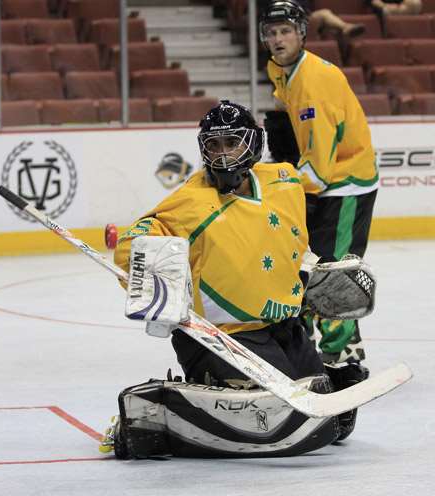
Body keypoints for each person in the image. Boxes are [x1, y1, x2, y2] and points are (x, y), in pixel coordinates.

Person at [102, 101, 365, 459]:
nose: (223, 154)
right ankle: (156, 414)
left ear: (253, 144)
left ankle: (317, 378)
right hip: (220, 337)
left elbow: (292, 240)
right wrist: (152, 276)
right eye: (214, 145)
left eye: (232, 142)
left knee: (326, 417)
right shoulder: (188, 203)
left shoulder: (284, 182)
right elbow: (136, 242)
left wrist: (316, 272)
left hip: (283, 327)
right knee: (279, 413)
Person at [260, 1, 378, 367]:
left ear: (301, 34)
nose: (278, 40)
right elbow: (283, 108)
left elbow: (318, 172)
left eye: (286, 32)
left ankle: (343, 349)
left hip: (345, 184)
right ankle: (306, 338)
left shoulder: (314, 85)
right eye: (272, 33)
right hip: (323, 181)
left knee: (333, 269)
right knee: (306, 262)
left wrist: (269, 178)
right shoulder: (281, 68)